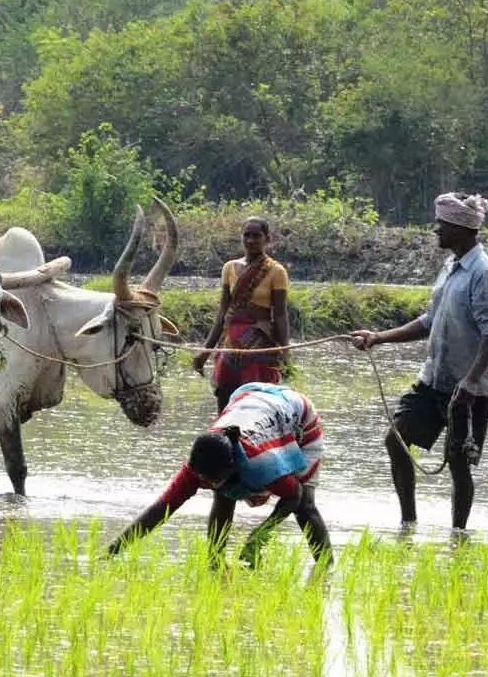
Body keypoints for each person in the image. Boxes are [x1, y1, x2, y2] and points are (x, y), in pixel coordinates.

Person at [351, 192, 488, 533]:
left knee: (459, 463)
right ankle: (408, 523)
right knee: (396, 439)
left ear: (460, 228)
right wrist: (378, 337)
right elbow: (429, 321)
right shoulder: (450, 268)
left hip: (469, 388)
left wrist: (470, 382)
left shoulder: (485, 273)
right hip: (434, 379)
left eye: (441, 224)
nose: (435, 229)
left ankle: (458, 534)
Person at [107, 382, 332, 568]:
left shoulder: (260, 464)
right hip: (250, 401)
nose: (204, 484)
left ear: (233, 464)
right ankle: (215, 560)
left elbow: (295, 495)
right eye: (202, 480)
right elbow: (160, 510)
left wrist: (259, 536)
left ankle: (326, 568)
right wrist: (111, 551)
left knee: (305, 507)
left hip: (297, 416)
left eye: (211, 480)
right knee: (225, 492)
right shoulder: (199, 465)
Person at [193, 217, 291, 414]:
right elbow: (222, 312)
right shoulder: (229, 268)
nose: (251, 240)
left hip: (259, 344)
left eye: (257, 236)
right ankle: (225, 440)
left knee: (256, 400)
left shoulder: (276, 271)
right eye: (247, 235)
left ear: (267, 239)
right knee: (224, 396)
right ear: (241, 238)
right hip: (230, 342)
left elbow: (280, 315)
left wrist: (286, 353)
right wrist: (206, 350)